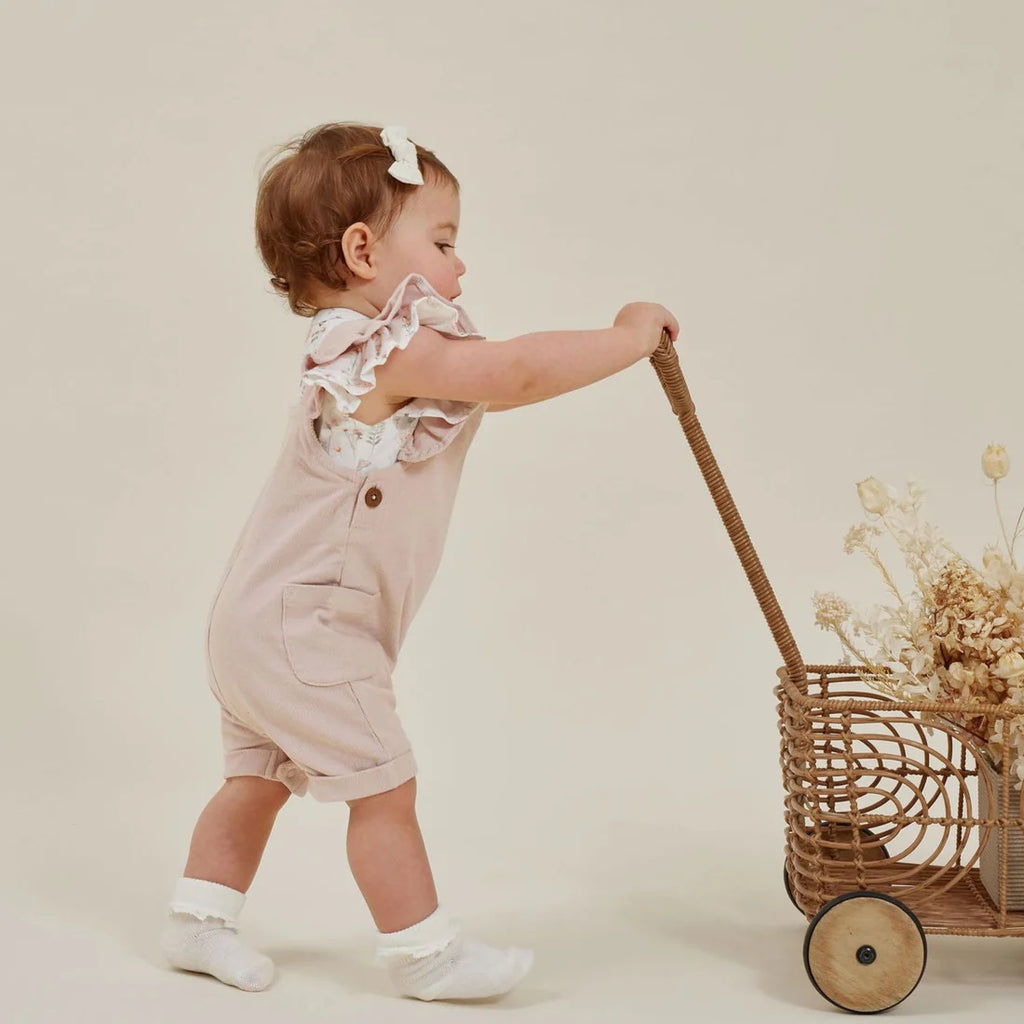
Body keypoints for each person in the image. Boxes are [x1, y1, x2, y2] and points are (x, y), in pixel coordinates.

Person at [158, 121, 679, 1001]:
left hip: (255, 621)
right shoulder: (382, 350)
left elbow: (492, 381)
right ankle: (424, 953)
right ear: (363, 250)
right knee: (385, 787)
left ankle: (198, 919)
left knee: (256, 780)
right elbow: (511, 375)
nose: (460, 267)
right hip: (307, 629)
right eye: (442, 242)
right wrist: (626, 338)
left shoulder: (368, 356)